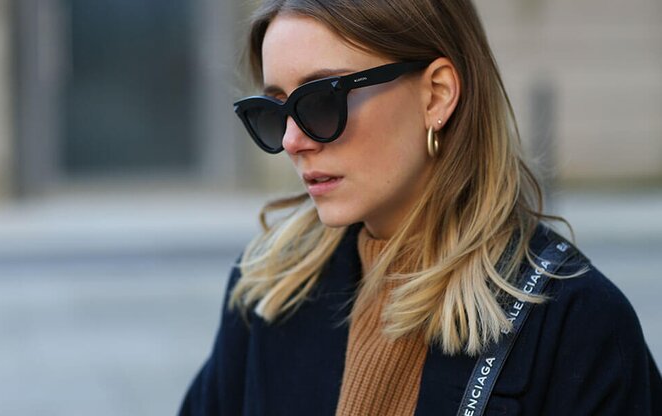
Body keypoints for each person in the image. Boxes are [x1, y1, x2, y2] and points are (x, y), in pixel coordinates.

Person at [179, 0, 662, 414]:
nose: (291, 140)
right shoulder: (267, 292)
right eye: (274, 110)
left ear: (436, 95)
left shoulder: (577, 326)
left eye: (321, 101)